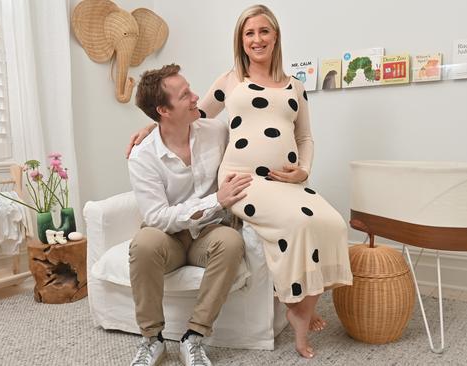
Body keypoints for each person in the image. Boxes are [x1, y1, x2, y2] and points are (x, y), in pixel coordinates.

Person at [126, 5, 352, 359]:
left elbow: (305, 137)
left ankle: (301, 305)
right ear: (241, 41)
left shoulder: (295, 86)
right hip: (243, 183)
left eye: (264, 31)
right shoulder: (231, 81)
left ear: (276, 36)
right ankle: (295, 309)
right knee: (298, 222)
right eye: (249, 33)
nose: (257, 39)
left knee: (333, 224)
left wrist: (304, 170)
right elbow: (188, 113)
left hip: (286, 184)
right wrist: (150, 127)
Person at [127, 64, 252, 366]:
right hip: (167, 238)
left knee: (231, 241)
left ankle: (194, 337)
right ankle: (152, 340)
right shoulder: (143, 155)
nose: (197, 97)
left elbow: (255, 134)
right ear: (163, 110)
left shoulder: (217, 132)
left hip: (208, 234)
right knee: (142, 244)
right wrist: (215, 201)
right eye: (185, 95)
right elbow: (158, 217)